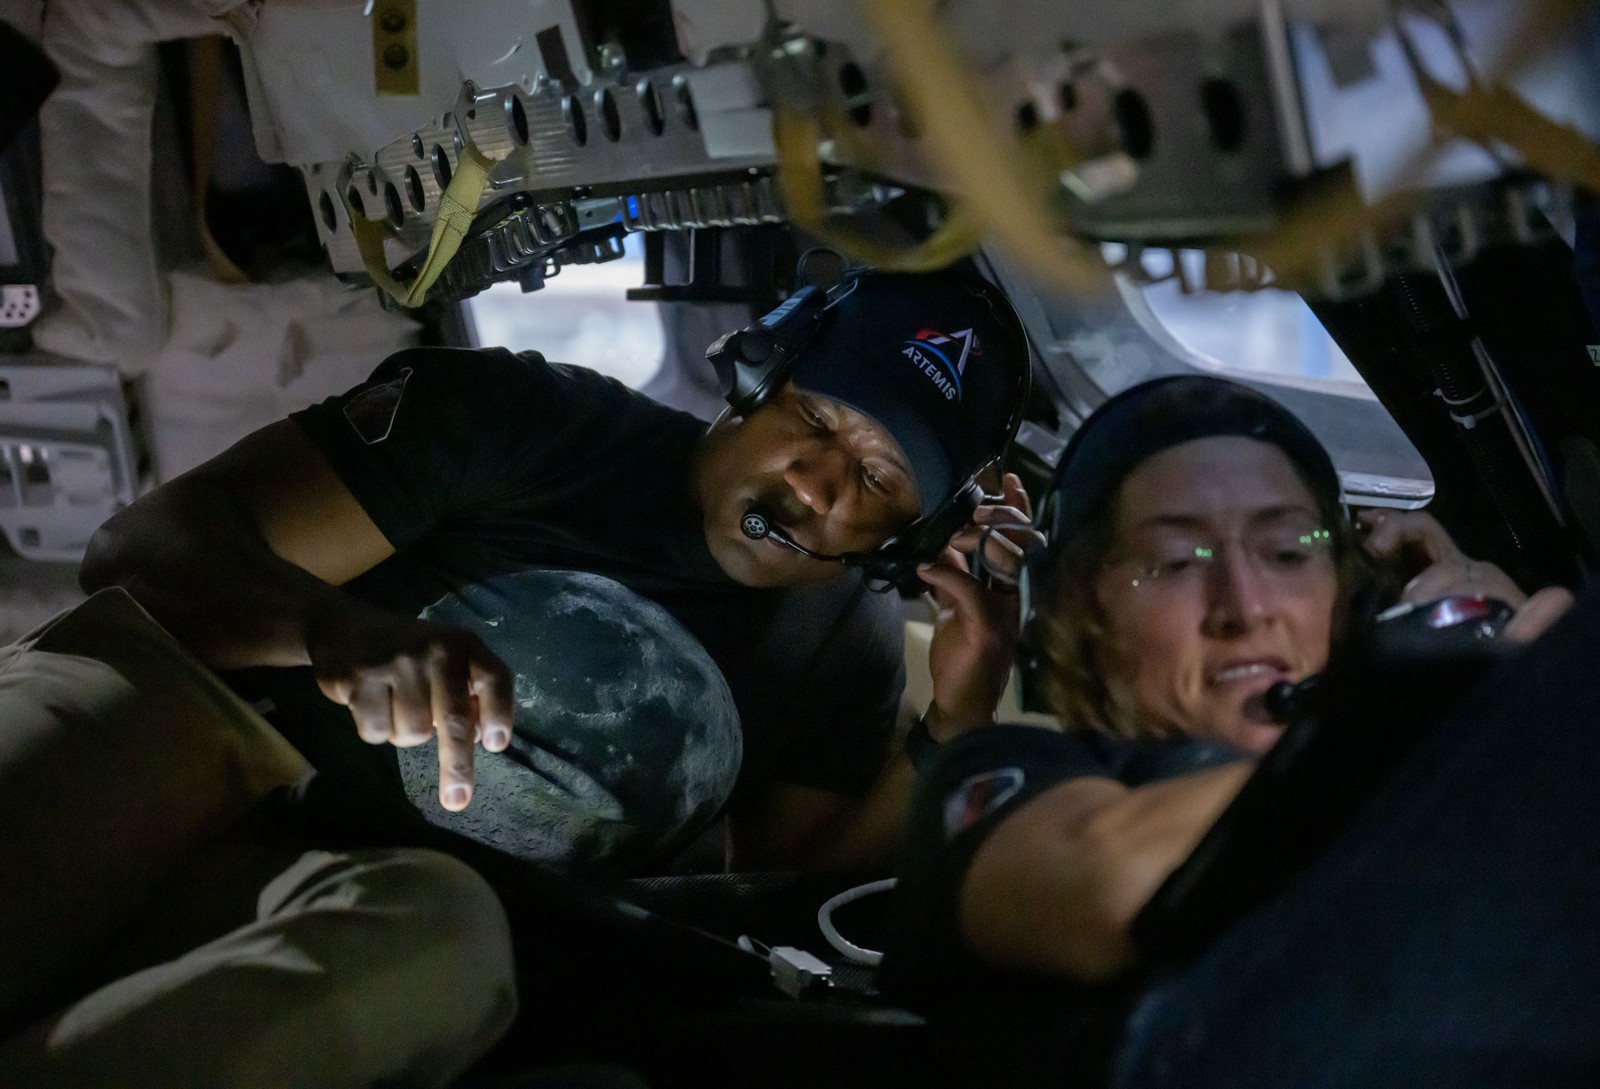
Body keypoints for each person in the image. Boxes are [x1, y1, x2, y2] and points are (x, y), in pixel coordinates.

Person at [82, 265, 1033, 873]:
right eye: (817, 420)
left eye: (877, 477)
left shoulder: (846, 645)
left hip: (451, 958)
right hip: (188, 794)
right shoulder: (519, 422)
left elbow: (790, 886)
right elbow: (133, 557)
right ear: (757, 372)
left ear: (907, 535)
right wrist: (329, 629)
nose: (818, 484)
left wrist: (962, 711)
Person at [880, 375, 1591, 1082]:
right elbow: (1110, 879)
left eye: (1288, 552)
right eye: (1173, 562)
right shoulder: (994, 776)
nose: (1245, 608)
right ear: (1075, 611)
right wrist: (1471, 703)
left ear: (1353, 598)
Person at [0, 587, 518, 1088]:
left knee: (448, 933)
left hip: (385, 892)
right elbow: (134, 558)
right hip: (197, 718)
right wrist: (327, 624)